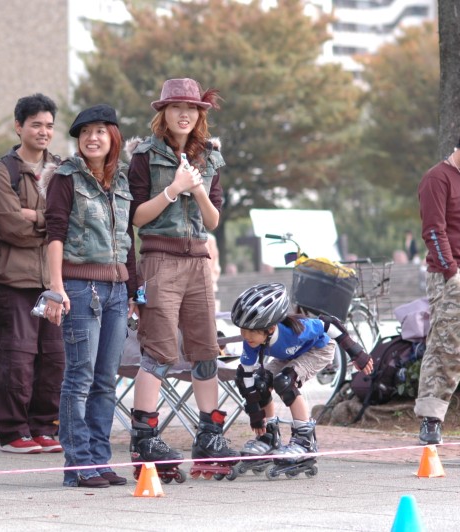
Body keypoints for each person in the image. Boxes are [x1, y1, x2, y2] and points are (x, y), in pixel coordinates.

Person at [126, 78, 237, 472]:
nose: (184, 114)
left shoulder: (210, 157)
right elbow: (136, 217)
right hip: (160, 259)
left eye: (191, 108)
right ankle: (145, 440)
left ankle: (209, 437)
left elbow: (213, 220)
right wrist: (173, 189)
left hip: (198, 261)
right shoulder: (144, 156)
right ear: (163, 113)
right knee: (158, 350)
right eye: (176, 107)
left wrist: (197, 189)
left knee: (205, 349)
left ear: (200, 114)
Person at [44, 104, 137, 488]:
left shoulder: (123, 180)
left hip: (117, 290)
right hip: (81, 288)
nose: (92, 138)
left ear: (113, 136)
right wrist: (56, 288)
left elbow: (128, 240)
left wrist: (133, 290)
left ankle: (99, 460)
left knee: (105, 380)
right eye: (85, 132)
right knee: (79, 378)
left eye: (99, 131)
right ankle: (77, 463)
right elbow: (54, 235)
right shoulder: (65, 178)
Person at [0, 94, 65, 454]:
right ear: (19, 127)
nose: (43, 131)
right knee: (15, 357)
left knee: (53, 358)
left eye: (49, 125)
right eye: (36, 124)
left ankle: (44, 426)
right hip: (12, 280)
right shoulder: (5, 172)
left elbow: (70, 220)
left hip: (53, 281)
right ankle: (12, 430)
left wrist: (35, 216)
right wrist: (50, 223)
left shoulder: (62, 169)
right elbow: (10, 227)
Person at [231, 284, 372, 471]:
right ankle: (268, 437)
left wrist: (355, 352)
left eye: (251, 331)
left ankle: (304, 442)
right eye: (242, 329)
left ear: (271, 328)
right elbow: (246, 376)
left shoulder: (296, 330)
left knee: (284, 381)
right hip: (289, 354)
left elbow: (330, 324)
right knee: (260, 383)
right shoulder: (251, 341)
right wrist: (255, 412)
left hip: (319, 350)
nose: (245, 335)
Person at [415, 136, 460, 445]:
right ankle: (431, 419)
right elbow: (433, 230)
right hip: (449, 275)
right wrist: (452, 273)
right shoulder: (437, 178)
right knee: (447, 346)